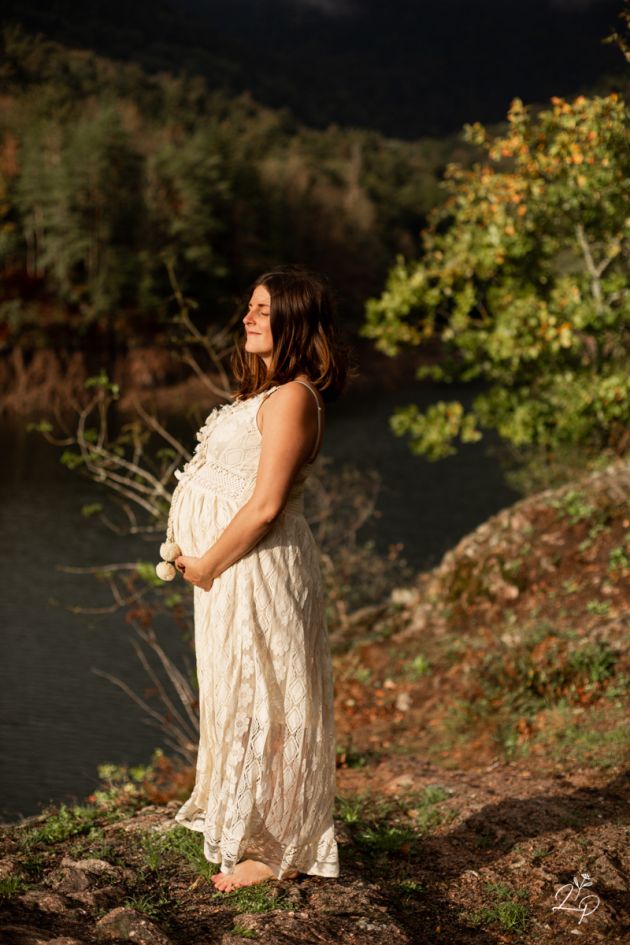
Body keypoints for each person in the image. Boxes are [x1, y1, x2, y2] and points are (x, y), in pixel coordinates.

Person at [164, 264, 350, 892]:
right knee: (238, 694)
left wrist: (211, 562)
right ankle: (250, 827)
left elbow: (267, 504)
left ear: (295, 321)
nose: (247, 317)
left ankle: (279, 851)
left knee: (271, 698)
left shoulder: (294, 397)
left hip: (256, 568)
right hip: (231, 569)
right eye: (249, 306)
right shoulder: (261, 396)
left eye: (263, 310)